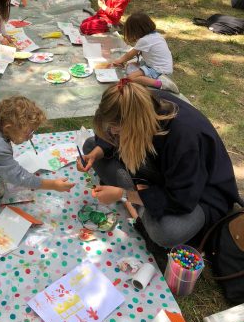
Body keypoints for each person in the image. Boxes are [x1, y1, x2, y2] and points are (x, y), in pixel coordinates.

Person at [77, 80, 241, 253]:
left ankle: (138, 201)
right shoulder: (138, 103)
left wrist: (124, 194)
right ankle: (142, 199)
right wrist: (97, 152)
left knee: (166, 232)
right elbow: (107, 136)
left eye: (115, 130)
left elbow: (182, 198)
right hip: (158, 174)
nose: (112, 134)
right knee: (90, 146)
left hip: (200, 194)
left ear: (133, 127)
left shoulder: (183, 138)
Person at [112, 11, 178, 93]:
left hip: (159, 70)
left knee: (131, 77)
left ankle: (161, 84)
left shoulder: (144, 40)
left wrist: (118, 61)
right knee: (131, 65)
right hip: (163, 67)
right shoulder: (156, 35)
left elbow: (130, 55)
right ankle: (155, 79)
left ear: (135, 31)